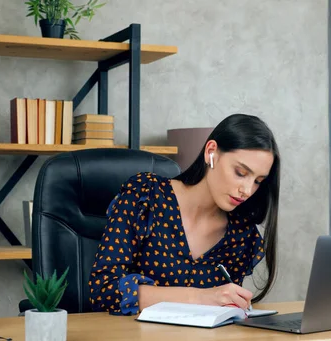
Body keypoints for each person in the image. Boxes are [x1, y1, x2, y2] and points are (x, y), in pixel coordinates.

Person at [88, 113, 280, 316]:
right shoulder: (145, 197)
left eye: (258, 181)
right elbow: (103, 291)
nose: (247, 190)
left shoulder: (240, 233)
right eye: (240, 173)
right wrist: (201, 297)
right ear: (211, 152)